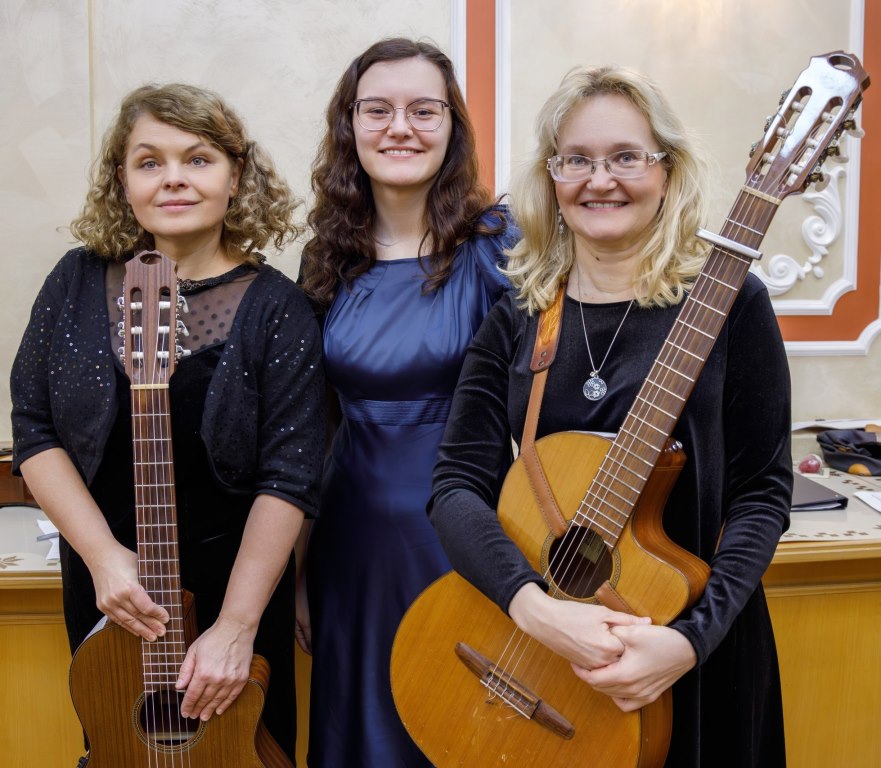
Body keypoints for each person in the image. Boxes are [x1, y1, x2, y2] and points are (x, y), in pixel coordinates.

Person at [429, 65, 791, 766]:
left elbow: (761, 494)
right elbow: (455, 486)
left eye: (626, 157)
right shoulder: (521, 313)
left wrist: (688, 641)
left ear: (667, 170)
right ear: (551, 177)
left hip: (693, 646)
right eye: (577, 160)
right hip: (544, 642)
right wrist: (533, 607)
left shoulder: (730, 302)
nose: (600, 181)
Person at [10, 83, 325, 763]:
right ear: (122, 182)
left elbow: (291, 476)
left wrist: (236, 627)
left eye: (198, 158)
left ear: (236, 176)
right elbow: (34, 427)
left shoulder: (278, 308)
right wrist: (103, 560)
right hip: (111, 589)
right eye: (149, 161)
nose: (173, 178)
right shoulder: (75, 280)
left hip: (236, 591)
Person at [298, 37, 518, 767]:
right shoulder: (327, 258)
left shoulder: (499, 246)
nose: (400, 128)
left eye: (424, 110)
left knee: (462, 732)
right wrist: (295, 569)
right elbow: (312, 427)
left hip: (468, 536)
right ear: (350, 125)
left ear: (452, 126)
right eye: (378, 110)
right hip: (350, 543)